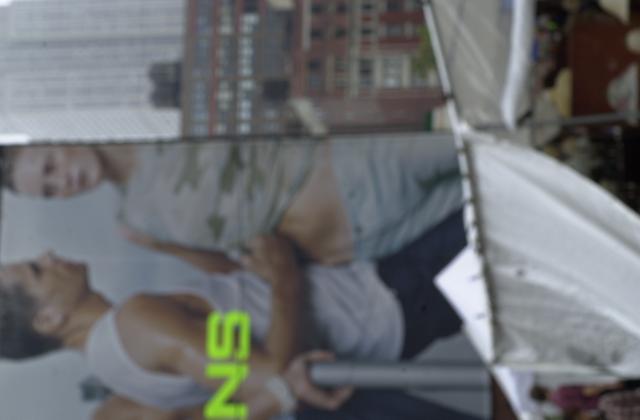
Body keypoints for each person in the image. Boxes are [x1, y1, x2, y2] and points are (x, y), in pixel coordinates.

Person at [0, 209, 467, 420]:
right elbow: (270, 378)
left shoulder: (117, 359)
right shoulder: (133, 325)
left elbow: (232, 315)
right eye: (37, 270)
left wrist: (170, 247)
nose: (47, 255)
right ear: (49, 319)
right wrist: (285, 277)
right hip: (384, 306)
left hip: (377, 300)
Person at [2, 134, 463, 267]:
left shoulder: (162, 119)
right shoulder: (136, 221)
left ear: (56, 133)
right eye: (51, 192)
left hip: (364, 167)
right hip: (365, 242)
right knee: (496, 201)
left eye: (51, 166)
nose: (65, 182)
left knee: (490, 145)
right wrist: (164, 248)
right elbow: (230, 266)